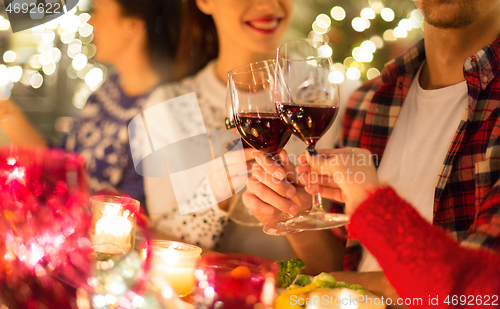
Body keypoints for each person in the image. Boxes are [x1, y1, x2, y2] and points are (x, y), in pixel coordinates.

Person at [243, 0, 500, 301]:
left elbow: (476, 295)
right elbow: (344, 263)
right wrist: (294, 213)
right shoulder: (367, 100)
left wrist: (323, 284)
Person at [138, 0, 361, 255]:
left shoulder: (334, 96)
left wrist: (296, 214)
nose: (268, 5)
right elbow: (161, 245)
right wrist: (216, 199)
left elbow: (348, 263)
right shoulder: (169, 107)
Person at [0, 0, 182, 207]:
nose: (90, 21)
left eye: (97, 11)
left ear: (132, 25)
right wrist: (8, 113)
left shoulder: (166, 107)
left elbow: (135, 211)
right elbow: (63, 163)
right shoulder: (108, 89)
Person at [300, 149, 500, 309]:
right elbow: (334, 263)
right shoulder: (364, 102)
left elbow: (468, 297)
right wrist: (298, 210)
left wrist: (371, 205)